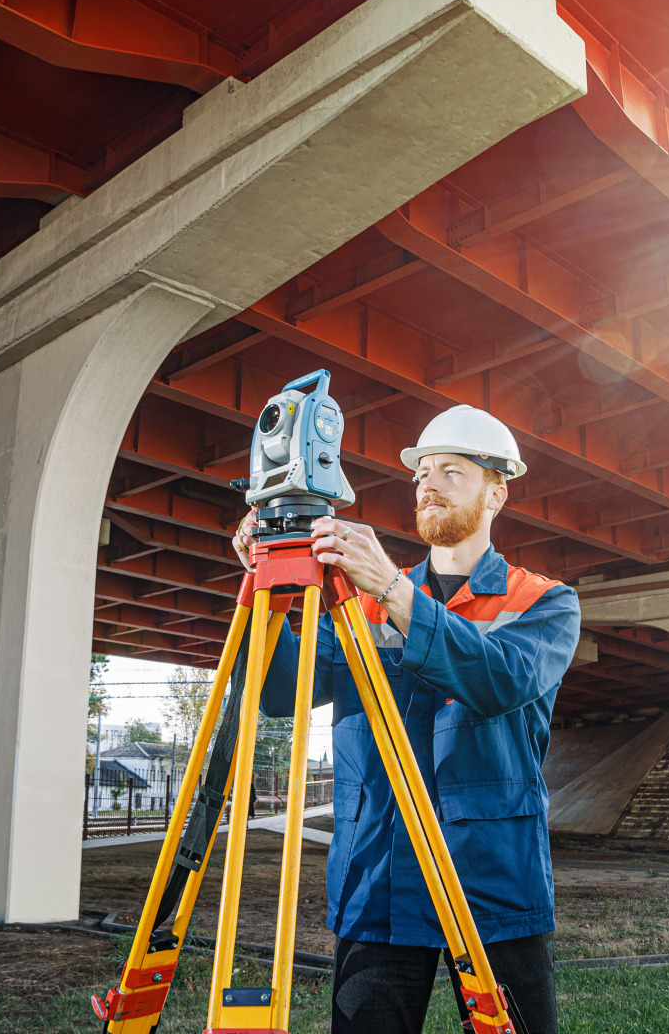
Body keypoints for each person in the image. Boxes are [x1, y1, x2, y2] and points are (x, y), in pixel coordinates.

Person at [234, 405, 579, 1034]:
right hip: (379, 879)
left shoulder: (543, 602)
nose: (430, 482)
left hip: (492, 880)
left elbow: (498, 679)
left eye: (453, 471)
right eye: (423, 471)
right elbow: (282, 692)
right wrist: (271, 581)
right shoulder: (357, 605)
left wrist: (394, 589)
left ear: (496, 492)